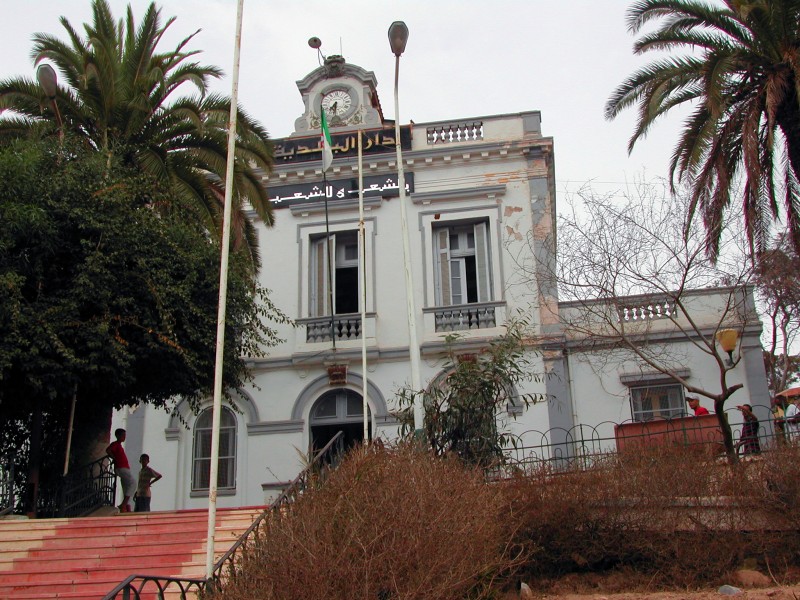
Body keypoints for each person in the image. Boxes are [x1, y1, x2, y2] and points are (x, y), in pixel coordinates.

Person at [106, 428, 136, 513]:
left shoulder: (118, 445)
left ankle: (126, 507)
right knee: (133, 483)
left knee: (126, 488)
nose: (124, 437)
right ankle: (124, 504)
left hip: (123, 467)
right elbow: (108, 450)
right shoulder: (115, 444)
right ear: (118, 436)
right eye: (123, 435)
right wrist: (114, 458)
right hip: (121, 467)